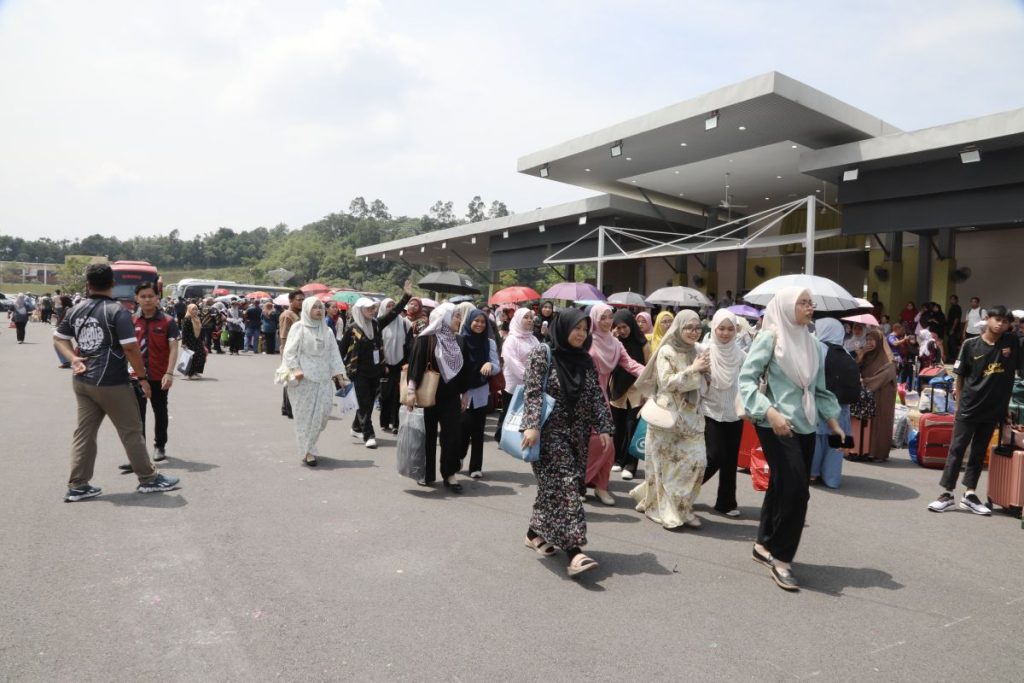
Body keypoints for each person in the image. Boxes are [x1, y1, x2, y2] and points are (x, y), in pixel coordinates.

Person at [738, 287, 844, 591]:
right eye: (803, 303)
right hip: (776, 424)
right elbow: (746, 381)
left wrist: (834, 424)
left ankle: (763, 544)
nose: (810, 307)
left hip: (806, 425)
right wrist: (770, 413)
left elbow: (819, 389)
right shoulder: (769, 338)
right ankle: (782, 559)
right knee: (797, 491)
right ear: (786, 307)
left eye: (811, 303)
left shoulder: (814, 344)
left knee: (781, 484)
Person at [52, 263, 180, 502]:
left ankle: (78, 484)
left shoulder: (76, 309)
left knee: (84, 433)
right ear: (113, 283)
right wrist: (142, 378)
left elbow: (59, 338)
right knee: (131, 430)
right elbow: (131, 348)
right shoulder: (117, 311)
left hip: (82, 379)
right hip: (111, 381)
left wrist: (73, 359)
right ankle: (149, 478)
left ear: (87, 285)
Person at [520, 309, 613, 577]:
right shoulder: (542, 354)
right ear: (563, 328)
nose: (581, 334)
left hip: (578, 435)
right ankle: (574, 552)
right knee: (566, 486)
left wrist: (604, 426)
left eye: (584, 329)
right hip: (548, 434)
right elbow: (533, 391)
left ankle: (533, 533)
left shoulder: (585, 359)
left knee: (553, 488)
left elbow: (595, 394)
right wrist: (532, 424)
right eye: (576, 328)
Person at [928, 306, 1024, 515]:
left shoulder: (1012, 342)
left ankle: (970, 494)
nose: (1000, 324)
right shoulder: (970, 345)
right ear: (987, 319)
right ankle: (947, 494)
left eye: (1005, 321)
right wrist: (959, 406)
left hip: (994, 409)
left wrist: (1006, 407)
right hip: (969, 406)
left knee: (979, 452)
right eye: (997, 319)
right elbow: (960, 377)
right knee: (957, 449)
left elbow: (1014, 371)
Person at [630, 310, 709, 530]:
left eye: (697, 327)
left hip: (692, 418)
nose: (693, 332)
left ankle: (682, 506)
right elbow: (667, 383)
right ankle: (672, 510)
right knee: (666, 467)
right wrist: (693, 370)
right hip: (668, 418)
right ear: (679, 328)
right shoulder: (667, 350)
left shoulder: (698, 350)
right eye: (688, 327)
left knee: (697, 463)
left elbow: (704, 384)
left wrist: (706, 374)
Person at [405, 303, 470, 491]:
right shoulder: (426, 339)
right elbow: (415, 366)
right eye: (455, 316)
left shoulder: (460, 341)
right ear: (444, 318)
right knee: (427, 435)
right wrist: (411, 391)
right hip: (427, 394)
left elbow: (465, 370)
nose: (459, 320)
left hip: (451, 396)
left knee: (453, 435)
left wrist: (465, 394)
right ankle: (426, 473)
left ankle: (450, 473)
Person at [117, 281, 180, 472]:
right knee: (137, 417)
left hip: (159, 375)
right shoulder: (130, 320)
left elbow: (174, 347)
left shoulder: (168, 321)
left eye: (150, 296)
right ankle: (138, 455)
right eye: (143, 296)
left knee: (160, 411)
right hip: (135, 376)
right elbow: (124, 348)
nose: (147, 300)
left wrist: (169, 372)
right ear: (136, 298)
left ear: (157, 298)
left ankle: (160, 446)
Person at [585, 303, 644, 505]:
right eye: (602, 317)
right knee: (588, 443)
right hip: (583, 397)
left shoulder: (615, 343)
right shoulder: (585, 339)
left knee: (607, 445)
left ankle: (601, 486)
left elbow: (630, 364)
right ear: (594, 318)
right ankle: (579, 483)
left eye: (610, 317)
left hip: (602, 398)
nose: (607, 321)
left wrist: (652, 373)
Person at [341, 282, 412, 448]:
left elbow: (393, 313)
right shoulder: (352, 329)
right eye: (368, 309)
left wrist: (406, 297)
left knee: (368, 403)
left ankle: (356, 427)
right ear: (359, 311)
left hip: (376, 371)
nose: (372, 311)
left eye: (373, 308)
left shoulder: (376, 324)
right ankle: (369, 435)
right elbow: (340, 351)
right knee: (364, 402)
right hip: (358, 372)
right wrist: (339, 373)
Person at [281, 297, 349, 466]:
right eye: (314, 307)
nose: (319, 310)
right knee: (305, 418)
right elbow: (289, 351)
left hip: (323, 379)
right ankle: (308, 450)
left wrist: (340, 375)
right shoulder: (299, 328)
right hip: (304, 380)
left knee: (323, 415)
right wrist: (295, 369)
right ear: (306, 309)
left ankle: (308, 446)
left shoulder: (327, 331)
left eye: (320, 307)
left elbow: (334, 354)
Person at [701, 309, 747, 516]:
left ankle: (726, 503)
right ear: (714, 328)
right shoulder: (704, 352)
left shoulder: (742, 356)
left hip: (734, 413)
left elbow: (748, 381)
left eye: (730, 329)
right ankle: (682, 490)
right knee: (714, 456)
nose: (725, 333)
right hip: (709, 411)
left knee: (730, 460)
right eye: (721, 328)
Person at [609, 309, 651, 480]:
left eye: (624, 327)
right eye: (618, 327)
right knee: (617, 427)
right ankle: (618, 460)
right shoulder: (614, 342)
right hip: (617, 390)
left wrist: (648, 393)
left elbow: (648, 368)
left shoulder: (643, 344)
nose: (621, 331)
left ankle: (630, 465)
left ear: (631, 325)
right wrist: (611, 339)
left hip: (636, 391)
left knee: (631, 428)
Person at [811, 318, 853, 488]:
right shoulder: (846, 352)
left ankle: (813, 473)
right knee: (837, 439)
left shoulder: (816, 348)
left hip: (821, 400)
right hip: (842, 404)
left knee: (817, 439)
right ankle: (832, 478)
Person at [459, 308, 500, 478]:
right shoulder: (460, 340)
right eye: (476, 321)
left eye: (483, 322)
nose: (479, 324)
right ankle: (458, 456)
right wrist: (462, 389)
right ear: (469, 321)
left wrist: (491, 365)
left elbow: (497, 366)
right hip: (462, 391)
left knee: (478, 430)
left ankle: (476, 467)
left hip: (481, 391)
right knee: (462, 429)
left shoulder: (489, 343)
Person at [855, 328, 898, 462]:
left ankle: (879, 453)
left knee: (880, 422)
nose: (869, 342)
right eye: (867, 340)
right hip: (868, 395)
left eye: (872, 340)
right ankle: (865, 450)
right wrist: (861, 355)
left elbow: (887, 374)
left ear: (879, 341)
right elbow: (855, 368)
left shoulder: (887, 359)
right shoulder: (867, 355)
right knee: (868, 423)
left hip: (882, 395)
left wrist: (866, 382)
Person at [496, 308, 538, 443]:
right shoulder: (511, 339)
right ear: (518, 319)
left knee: (523, 412)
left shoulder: (533, 339)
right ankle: (501, 437)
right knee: (509, 411)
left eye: (531, 317)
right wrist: (529, 377)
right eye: (526, 317)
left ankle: (515, 439)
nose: (530, 320)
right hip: (513, 383)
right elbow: (512, 362)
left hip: (530, 382)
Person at [377, 297, 411, 435]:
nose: (391, 308)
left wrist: (407, 362)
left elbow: (409, 344)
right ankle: (384, 422)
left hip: (400, 364)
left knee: (398, 395)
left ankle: (396, 423)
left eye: (393, 305)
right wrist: (382, 362)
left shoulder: (404, 323)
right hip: (384, 364)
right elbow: (376, 346)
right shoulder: (378, 324)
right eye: (388, 306)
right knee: (385, 395)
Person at [279, 291, 305, 419]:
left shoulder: (299, 314)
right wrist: (286, 355)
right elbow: (284, 336)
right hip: (290, 352)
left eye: (302, 300)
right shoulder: (287, 315)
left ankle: (286, 407)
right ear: (290, 301)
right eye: (298, 300)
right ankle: (290, 409)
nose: (301, 302)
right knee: (291, 379)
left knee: (291, 379)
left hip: (298, 351)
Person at [180, 304, 207, 378]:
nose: (195, 311)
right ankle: (190, 374)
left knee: (201, 355)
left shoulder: (197, 318)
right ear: (189, 310)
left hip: (197, 340)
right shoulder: (187, 319)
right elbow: (184, 332)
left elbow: (201, 330)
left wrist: (202, 339)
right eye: (193, 309)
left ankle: (196, 371)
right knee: (192, 356)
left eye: (196, 309)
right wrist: (183, 343)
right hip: (190, 340)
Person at [947, 294, 963, 362]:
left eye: (953, 299)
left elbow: (956, 319)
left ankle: (953, 360)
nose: (951, 300)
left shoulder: (957, 308)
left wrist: (952, 329)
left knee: (953, 345)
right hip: (950, 329)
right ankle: (951, 358)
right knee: (950, 344)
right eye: (950, 299)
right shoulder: (952, 307)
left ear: (956, 300)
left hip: (954, 330)